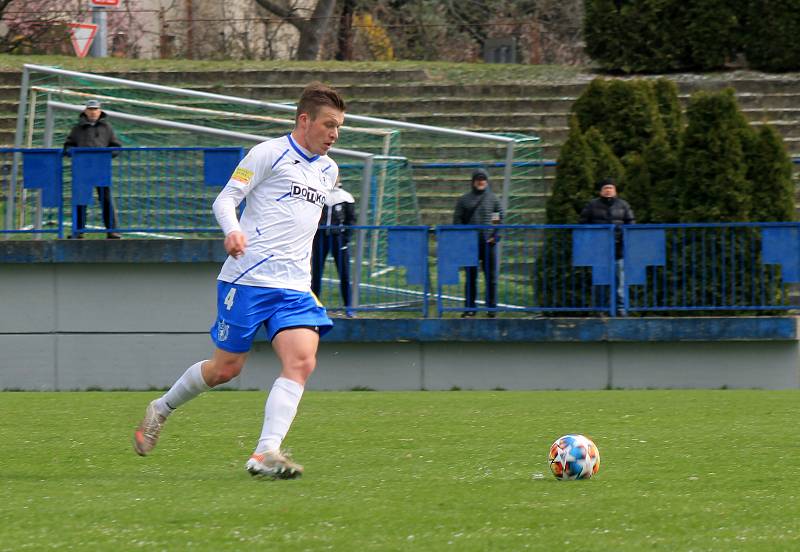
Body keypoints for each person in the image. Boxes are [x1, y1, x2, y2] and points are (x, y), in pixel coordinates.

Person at [132, 82, 346, 480]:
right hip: (247, 279)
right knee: (225, 369)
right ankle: (161, 408)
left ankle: (265, 453)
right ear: (305, 120)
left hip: (295, 287)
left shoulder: (329, 170)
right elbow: (225, 199)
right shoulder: (268, 153)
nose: (334, 135)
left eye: (339, 128)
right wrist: (232, 231)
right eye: (328, 125)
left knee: (302, 362)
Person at [63, 99, 122, 239]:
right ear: (85, 111)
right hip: (82, 169)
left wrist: (108, 155)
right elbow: (67, 146)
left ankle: (112, 231)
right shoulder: (77, 129)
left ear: (100, 111)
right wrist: (73, 153)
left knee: (106, 200)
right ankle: (78, 231)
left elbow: (116, 145)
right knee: (81, 200)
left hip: (101, 168)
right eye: (90, 109)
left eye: (95, 109)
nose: (93, 112)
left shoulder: (107, 128)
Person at [579, 177, 635, 316]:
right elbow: (583, 224)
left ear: (615, 191)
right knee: (600, 282)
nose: (608, 191)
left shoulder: (623, 205)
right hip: (599, 250)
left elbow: (631, 224)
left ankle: (620, 309)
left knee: (620, 282)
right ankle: (601, 309)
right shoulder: (592, 205)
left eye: (611, 188)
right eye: (605, 188)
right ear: (600, 191)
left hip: (619, 249)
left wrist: (624, 239)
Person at [452, 169, 502, 318]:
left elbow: (498, 220)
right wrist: (463, 238)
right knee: (470, 278)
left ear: (487, 181)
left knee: (491, 278)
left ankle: (491, 309)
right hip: (470, 245)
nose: (481, 182)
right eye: (478, 179)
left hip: (488, 244)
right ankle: (469, 309)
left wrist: (495, 236)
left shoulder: (493, 199)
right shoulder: (464, 200)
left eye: (483, 179)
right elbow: (457, 220)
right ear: (473, 181)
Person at [311, 178, 356, 317]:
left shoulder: (345, 197)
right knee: (316, 273)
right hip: (320, 237)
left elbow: (351, 220)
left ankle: (348, 306)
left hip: (338, 238)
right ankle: (313, 306)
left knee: (344, 273)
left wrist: (346, 238)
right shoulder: (318, 194)